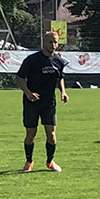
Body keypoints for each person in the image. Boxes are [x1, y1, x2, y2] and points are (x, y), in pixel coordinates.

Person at [15, 30, 68, 172]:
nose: (53, 44)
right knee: (31, 134)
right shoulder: (32, 60)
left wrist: (63, 92)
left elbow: (60, 78)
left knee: (51, 135)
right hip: (31, 103)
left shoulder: (59, 61)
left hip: (49, 103)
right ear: (44, 42)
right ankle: (29, 161)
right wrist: (28, 93)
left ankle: (50, 161)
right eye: (50, 42)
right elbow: (19, 78)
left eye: (55, 42)